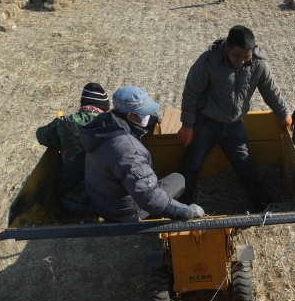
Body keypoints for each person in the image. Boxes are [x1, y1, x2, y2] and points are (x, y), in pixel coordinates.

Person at [177, 25, 292, 211]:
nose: (241, 61)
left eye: (246, 57)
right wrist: (187, 125)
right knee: (193, 163)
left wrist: (283, 114)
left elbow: (271, 90)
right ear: (227, 48)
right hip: (206, 122)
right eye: (236, 56)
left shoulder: (258, 63)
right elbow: (191, 92)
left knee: (244, 165)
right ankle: (182, 206)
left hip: (234, 124)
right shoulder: (208, 62)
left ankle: (262, 205)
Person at [80, 86, 205, 222]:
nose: (147, 116)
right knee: (178, 179)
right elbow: (150, 198)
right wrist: (186, 211)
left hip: (104, 204)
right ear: (130, 115)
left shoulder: (105, 128)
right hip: (126, 213)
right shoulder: (129, 152)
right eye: (143, 112)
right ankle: (158, 216)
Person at [36, 82, 110, 214]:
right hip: (104, 202)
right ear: (104, 106)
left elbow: (41, 136)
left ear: (83, 103)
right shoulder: (111, 124)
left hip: (71, 202)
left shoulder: (64, 123)